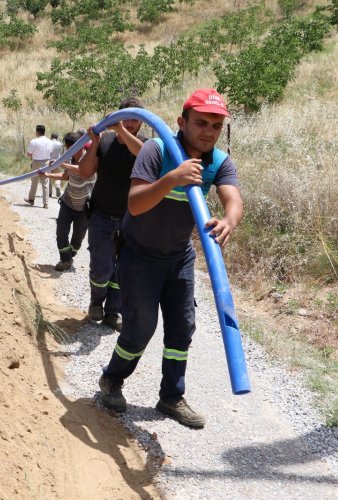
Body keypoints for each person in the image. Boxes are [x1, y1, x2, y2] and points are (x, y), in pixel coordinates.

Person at [97, 89, 244, 429]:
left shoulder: (218, 161)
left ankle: (171, 396)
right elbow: (135, 203)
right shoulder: (157, 149)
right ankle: (112, 379)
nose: (208, 131)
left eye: (216, 125)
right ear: (182, 122)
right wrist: (172, 179)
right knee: (140, 328)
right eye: (201, 123)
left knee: (182, 328)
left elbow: (233, 199)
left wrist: (228, 220)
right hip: (139, 256)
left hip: (179, 258)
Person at [79, 97, 146, 331]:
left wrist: (120, 130)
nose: (129, 123)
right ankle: (96, 301)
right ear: (117, 117)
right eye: (125, 117)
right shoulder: (105, 141)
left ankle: (113, 312)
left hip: (132, 220)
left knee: (124, 269)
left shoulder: (147, 145)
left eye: (135, 119)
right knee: (101, 266)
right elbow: (86, 172)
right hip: (101, 216)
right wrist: (94, 143)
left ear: (142, 122)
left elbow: (142, 154)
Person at [43, 131, 96, 272]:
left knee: (77, 238)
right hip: (68, 202)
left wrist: (61, 164)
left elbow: (84, 171)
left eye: (71, 148)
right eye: (68, 149)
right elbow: (66, 176)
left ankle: (69, 256)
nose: (69, 151)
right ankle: (65, 259)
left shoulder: (89, 158)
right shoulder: (68, 159)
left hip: (84, 206)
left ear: (80, 146)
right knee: (61, 231)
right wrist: (48, 174)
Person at [25, 124, 53, 208]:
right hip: (46, 162)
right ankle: (46, 203)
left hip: (36, 161)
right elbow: (51, 152)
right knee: (45, 182)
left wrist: (31, 158)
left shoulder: (34, 141)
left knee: (34, 182)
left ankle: (31, 199)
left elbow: (29, 153)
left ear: (37, 132)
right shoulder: (49, 141)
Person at [48, 133, 64, 198]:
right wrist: (59, 140)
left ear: (51, 137)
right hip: (57, 162)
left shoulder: (48, 142)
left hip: (48, 162)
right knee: (57, 177)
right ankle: (57, 187)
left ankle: (49, 193)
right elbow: (62, 152)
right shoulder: (60, 144)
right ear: (57, 137)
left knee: (48, 177)